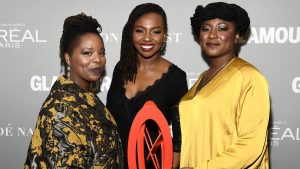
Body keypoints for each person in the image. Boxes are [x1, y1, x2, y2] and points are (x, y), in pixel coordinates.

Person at [24, 13, 123, 169]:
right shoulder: (60, 110)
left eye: (101, 52)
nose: (98, 59)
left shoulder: (87, 98)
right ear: (68, 58)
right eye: (87, 53)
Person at [179, 2, 270, 169]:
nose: (212, 35)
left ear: (237, 35)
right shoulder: (202, 78)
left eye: (222, 28)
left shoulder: (249, 77)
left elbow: (251, 145)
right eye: (206, 29)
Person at [106, 3, 188, 169]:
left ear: (164, 35)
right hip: (114, 163)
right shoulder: (120, 69)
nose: (147, 38)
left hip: (152, 164)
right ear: (131, 33)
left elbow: (179, 138)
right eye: (140, 30)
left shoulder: (176, 78)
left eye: (155, 31)